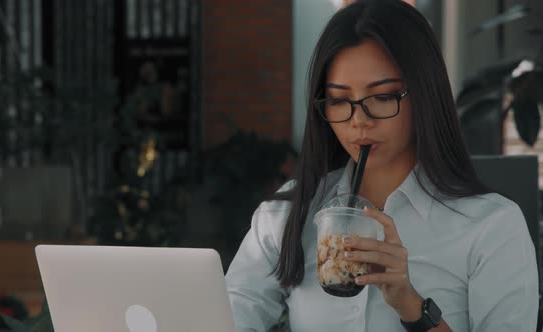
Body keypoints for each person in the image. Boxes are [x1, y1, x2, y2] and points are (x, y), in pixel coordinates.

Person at [224, 1, 539, 331]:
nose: (359, 121)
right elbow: (226, 317)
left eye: (384, 97)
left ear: (424, 95)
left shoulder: (491, 227)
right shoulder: (290, 215)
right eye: (338, 100)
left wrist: (412, 306)